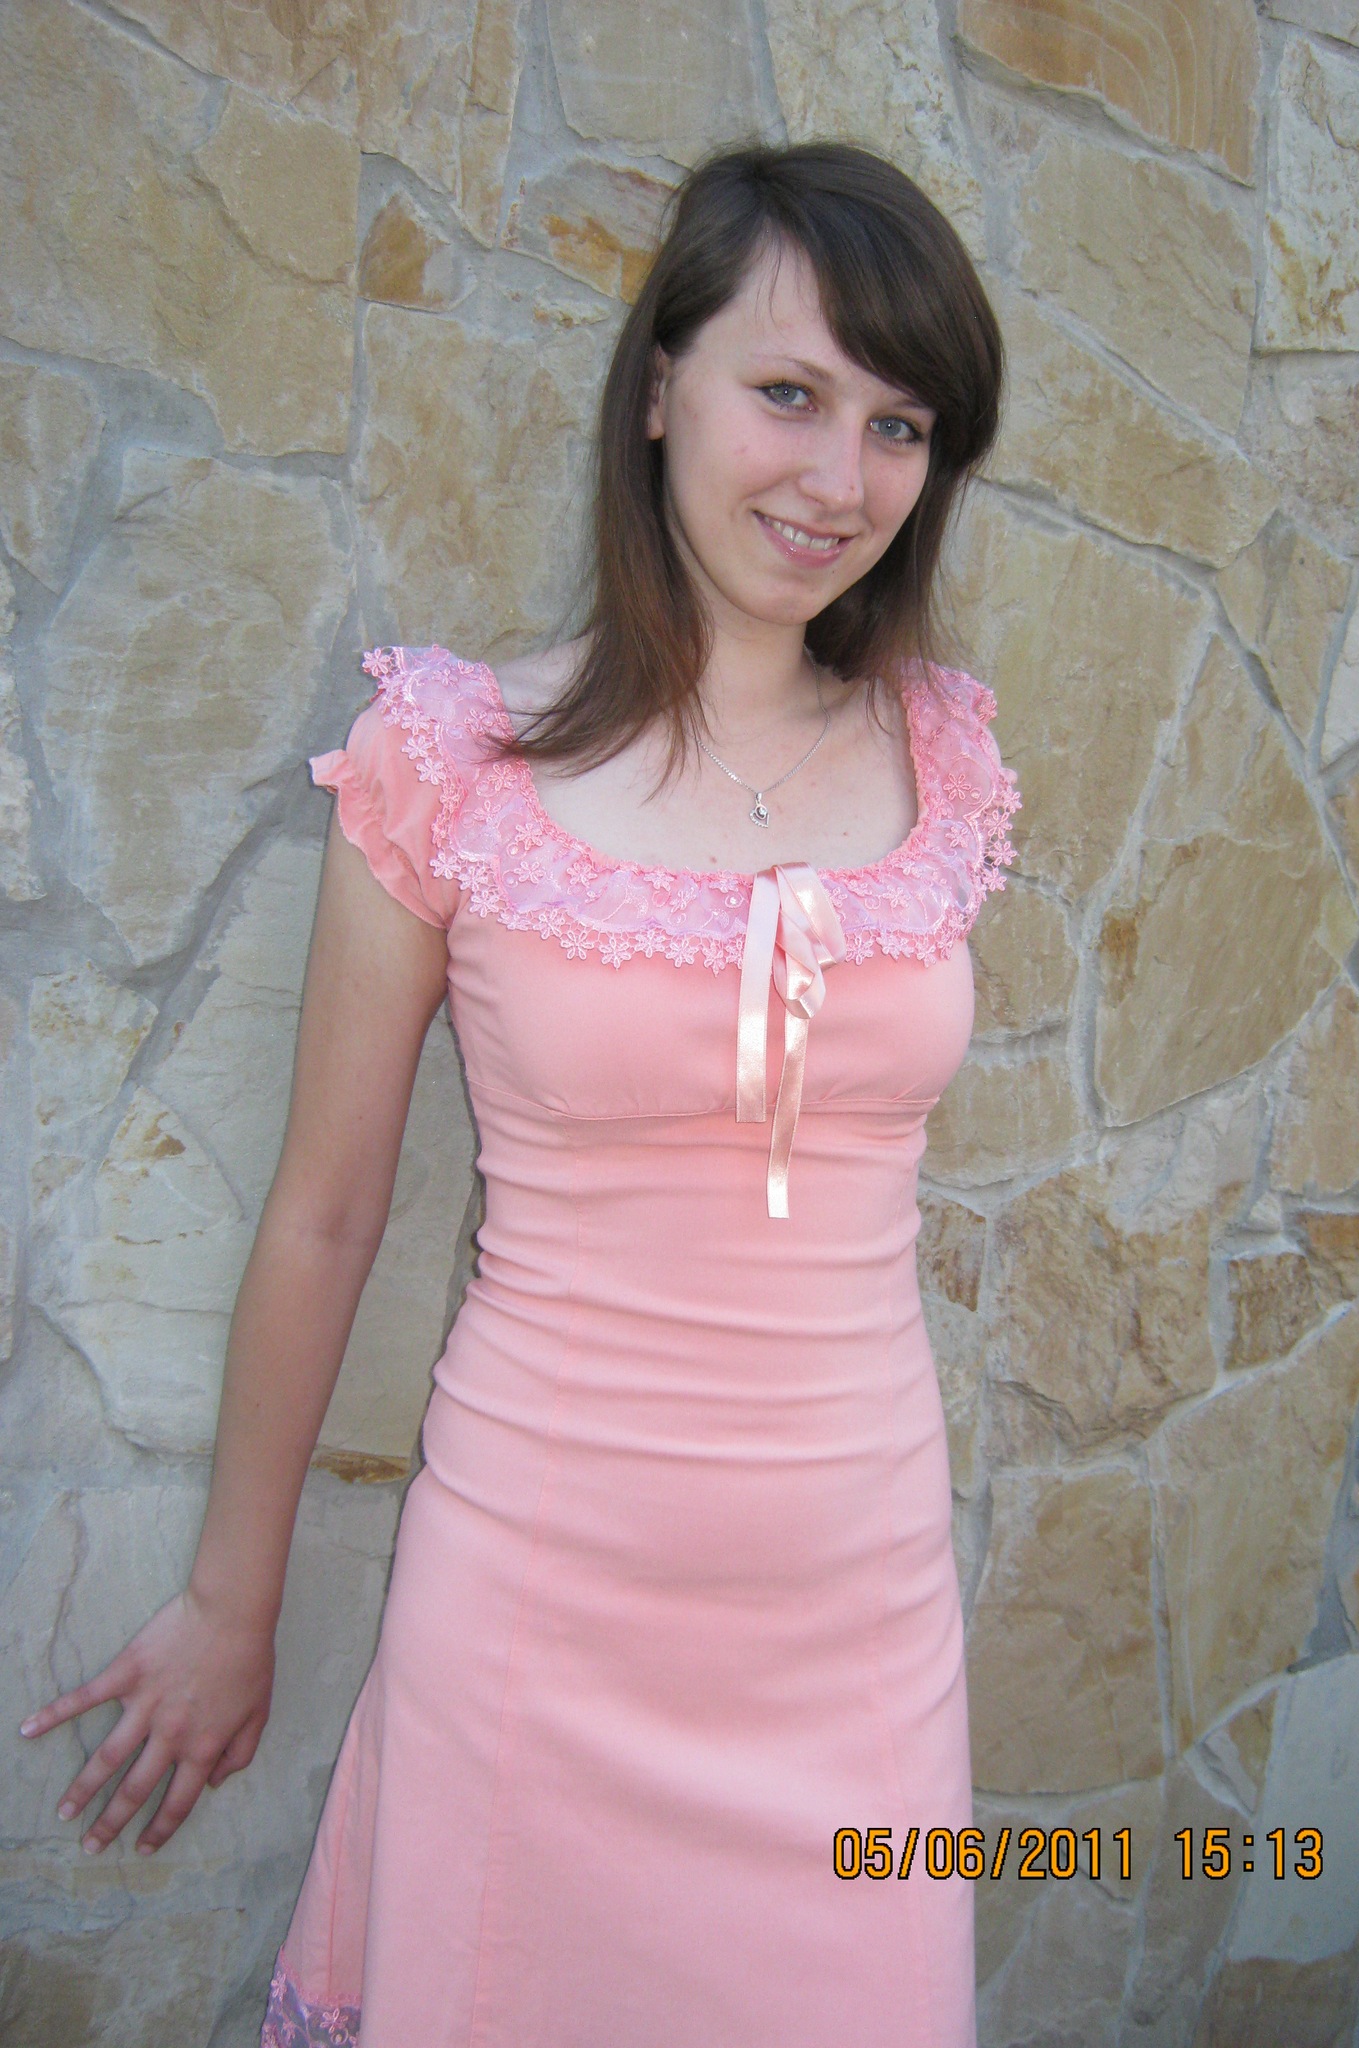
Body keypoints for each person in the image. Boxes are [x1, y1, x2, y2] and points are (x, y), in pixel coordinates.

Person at [21, 140, 1016, 2047]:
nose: (839, 479)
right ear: (660, 386)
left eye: (899, 426)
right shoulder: (450, 764)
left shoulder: (945, 757)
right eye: (789, 393)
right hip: (543, 1608)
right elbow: (329, 1211)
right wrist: (234, 1600)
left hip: (861, 1618)